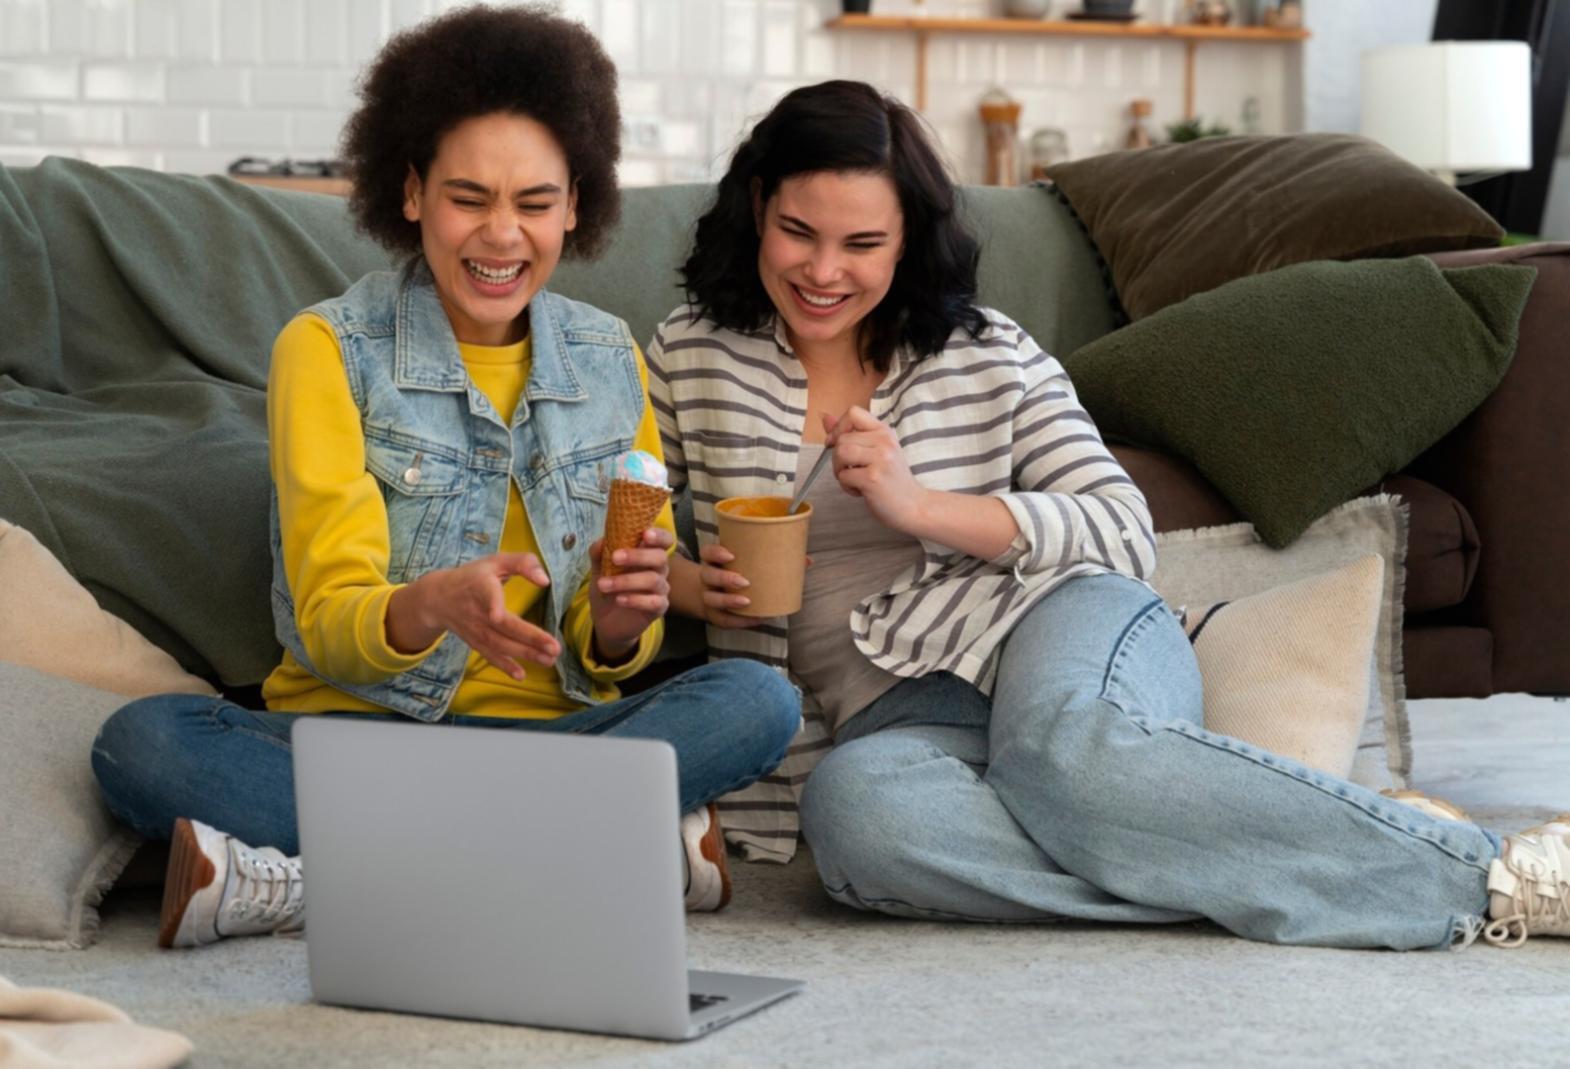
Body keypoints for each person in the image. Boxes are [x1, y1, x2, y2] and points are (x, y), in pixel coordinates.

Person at [648, 79, 1570, 951]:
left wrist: (920, 504)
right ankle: (1279, 851)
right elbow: (636, 535)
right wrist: (694, 587)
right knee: (857, 822)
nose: (822, 271)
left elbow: (1120, 527)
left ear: (907, 241)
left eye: (861, 244)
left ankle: (1490, 876)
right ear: (758, 207)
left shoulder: (989, 352)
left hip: (1060, 630)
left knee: (1067, 751)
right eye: (798, 232)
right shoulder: (690, 354)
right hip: (897, 720)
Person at [90, 5, 800, 950]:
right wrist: (431, 605)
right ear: (413, 191)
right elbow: (328, 621)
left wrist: (620, 624)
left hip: (556, 743)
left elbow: (605, 641)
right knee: (140, 744)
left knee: (758, 701)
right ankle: (603, 851)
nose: (502, 235)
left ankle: (320, 878)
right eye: (469, 198)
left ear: (576, 206)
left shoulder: (609, 357)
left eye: (535, 203)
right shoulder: (328, 349)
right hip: (364, 742)